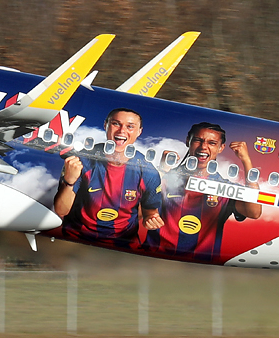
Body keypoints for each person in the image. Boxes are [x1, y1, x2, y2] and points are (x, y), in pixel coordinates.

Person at [147, 121, 262, 260]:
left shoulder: (224, 188)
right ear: (188, 141)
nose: (203, 147)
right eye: (198, 140)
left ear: (221, 148)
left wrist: (246, 160)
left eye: (212, 143)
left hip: (199, 267)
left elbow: (254, 212)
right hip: (154, 259)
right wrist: (161, 172)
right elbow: (141, 212)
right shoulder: (167, 176)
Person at [53, 107, 164, 248]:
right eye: (116, 124)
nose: (122, 131)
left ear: (139, 131)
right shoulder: (81, 160)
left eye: (130, 126)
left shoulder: (148, 171)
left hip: (122, 246)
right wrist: (69, 182)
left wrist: (151, 218)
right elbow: (61, 210)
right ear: (106, 125)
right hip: (76, 241)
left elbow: (150, 210)